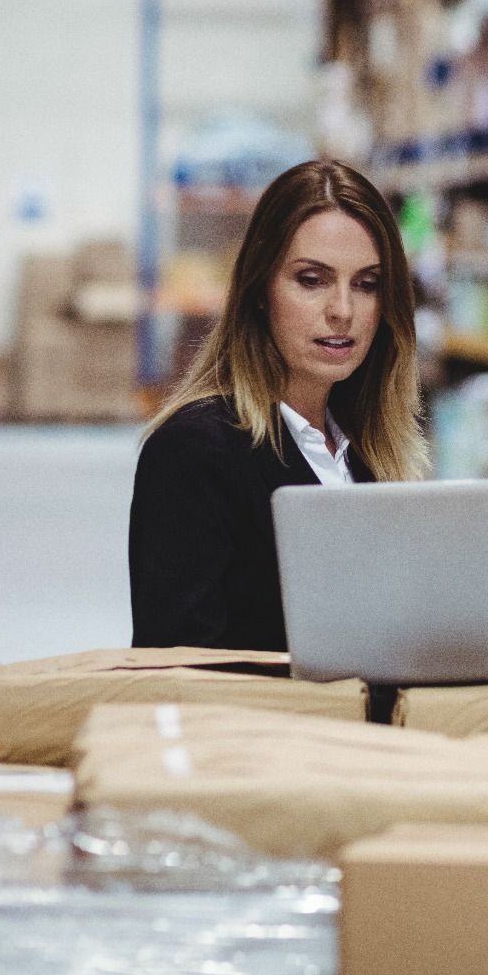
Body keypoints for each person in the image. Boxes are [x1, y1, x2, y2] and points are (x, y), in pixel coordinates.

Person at [129, 159, 428, 650]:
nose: (343, 311)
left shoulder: (370, 455)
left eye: (367, 284)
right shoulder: (194, 452)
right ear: (260, 289)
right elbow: (177, 674)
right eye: (312, 280)